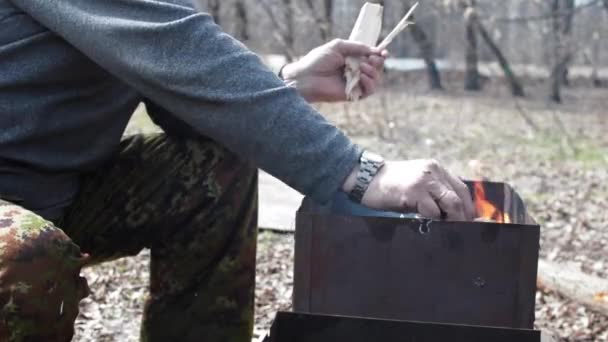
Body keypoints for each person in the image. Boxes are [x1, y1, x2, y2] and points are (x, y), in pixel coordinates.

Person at [0, 0, 474, 341]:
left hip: (55, 196)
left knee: (218, 164)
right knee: (29, 252)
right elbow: (179, 45)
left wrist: (288, 82)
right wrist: (360, 170)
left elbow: (177, 100)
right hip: (19, 216)